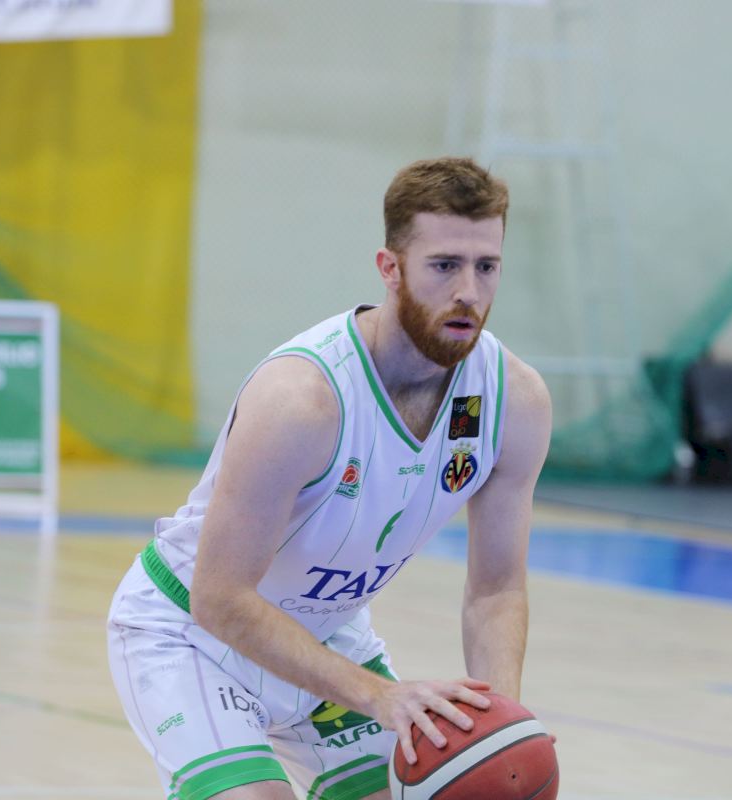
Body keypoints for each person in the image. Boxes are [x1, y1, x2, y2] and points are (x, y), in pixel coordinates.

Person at [107, 157, 552, 799]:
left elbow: (497, 589)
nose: (469, 292)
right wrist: (378, 696)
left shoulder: (516, 401)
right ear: (390, 268)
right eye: (444, 265)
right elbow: (221, 598)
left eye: (487, 266)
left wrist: (500, 731)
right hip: (190, 634)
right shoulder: (303, 399)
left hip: (326, 636)